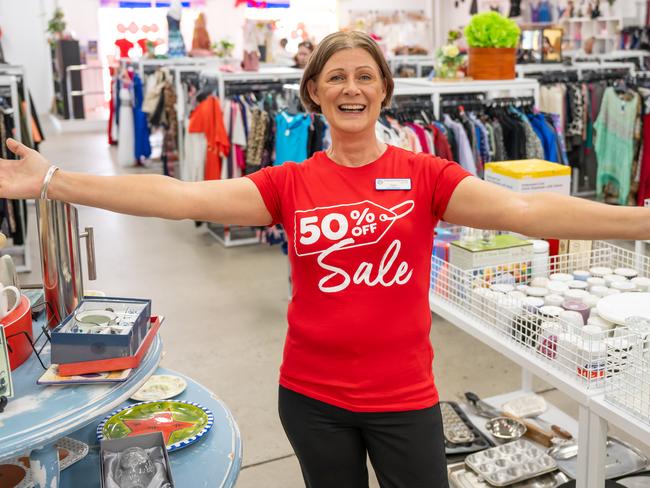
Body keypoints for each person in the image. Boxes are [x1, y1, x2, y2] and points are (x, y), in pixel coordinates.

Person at [1, 31, 649, 487]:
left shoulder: (426, 174)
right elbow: (176, 196)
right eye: (336, 76)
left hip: (404, 398)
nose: (351, 87)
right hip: (313, 399)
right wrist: (54, 178)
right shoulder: (291, 183)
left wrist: (643, 221)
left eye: (365, 76)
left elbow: (529, 212)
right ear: (314, 92)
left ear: (385, 92)